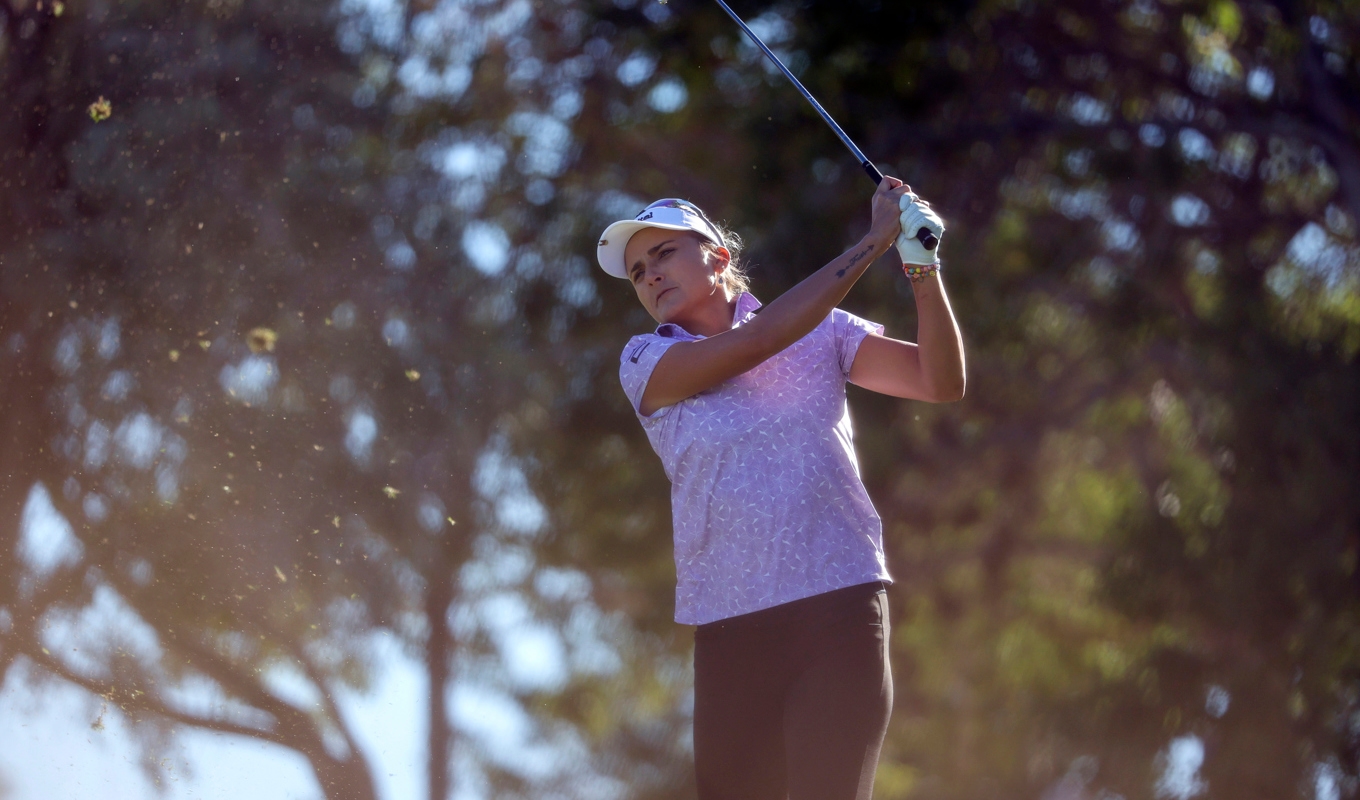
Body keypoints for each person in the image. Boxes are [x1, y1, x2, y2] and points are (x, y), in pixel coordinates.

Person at [595, 176, 966, 800]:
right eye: (637, 272)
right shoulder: (645, 362)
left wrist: (922, 267)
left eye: (664, 254)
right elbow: (760, 341)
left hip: (840, 608)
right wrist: (872, 244)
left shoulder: (826, 331)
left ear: (718, 257)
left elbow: (940, 382)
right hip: (730, 634)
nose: (651, 275)